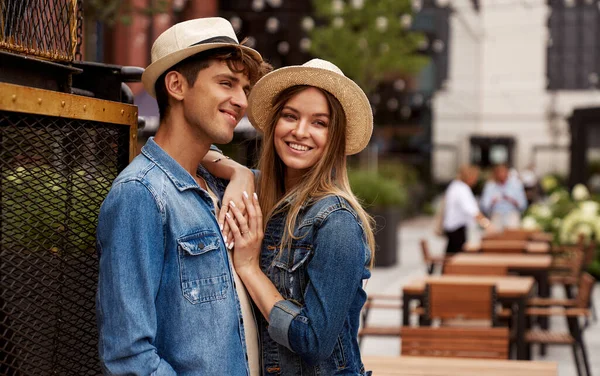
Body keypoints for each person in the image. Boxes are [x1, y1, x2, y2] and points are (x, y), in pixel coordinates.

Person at [95, 18, 271, 375]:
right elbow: (129, 355)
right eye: (226, 83)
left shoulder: (218, 186)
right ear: (176, 84)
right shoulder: (140, 195)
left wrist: (238, 173)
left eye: (244, 88)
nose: (240, 101)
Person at [208, 59, 375, 375]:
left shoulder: (336, 222)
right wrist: (239, 172)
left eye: (319, 123)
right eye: (290, 116)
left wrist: (248, 268)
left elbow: (314, 341)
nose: (300, 131)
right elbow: (194, 149)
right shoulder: (266, 197)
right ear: (274, 124)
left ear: (334, 138)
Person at [442, 165, 491, 254]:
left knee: (451, 254)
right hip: (457, 227)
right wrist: (487, 224)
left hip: (453, 227)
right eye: (475, 177)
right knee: (458, 256)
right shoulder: (462, 189)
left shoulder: (455, 186)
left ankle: (445, 268)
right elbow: (472, 210)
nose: (476, 180)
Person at [480, 163, 528, 230]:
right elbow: (484, 207)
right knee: (494, 235)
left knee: (512, 233)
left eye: (503, 172)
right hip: (496, 215)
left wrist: (513, 201)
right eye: (499, 172)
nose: (501, 174)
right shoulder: (490, 186)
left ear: (507, 172)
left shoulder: (516, 185)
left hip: (512, 214)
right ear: (495, 174)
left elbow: (523, 205)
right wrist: (493, 202)